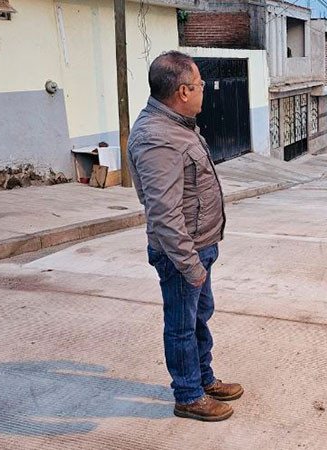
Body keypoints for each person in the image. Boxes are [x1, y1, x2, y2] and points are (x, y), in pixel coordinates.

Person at [126, 51, 242, 422]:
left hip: (199, 246)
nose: (204, 91)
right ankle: (188, 395)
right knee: (181, 325)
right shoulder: (157, 138)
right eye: (201, 85)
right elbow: (163, 212)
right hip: (181, 254)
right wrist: (190, 264)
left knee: (198, 318)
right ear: (183, 91)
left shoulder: (178, 125)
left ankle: (203, 379)